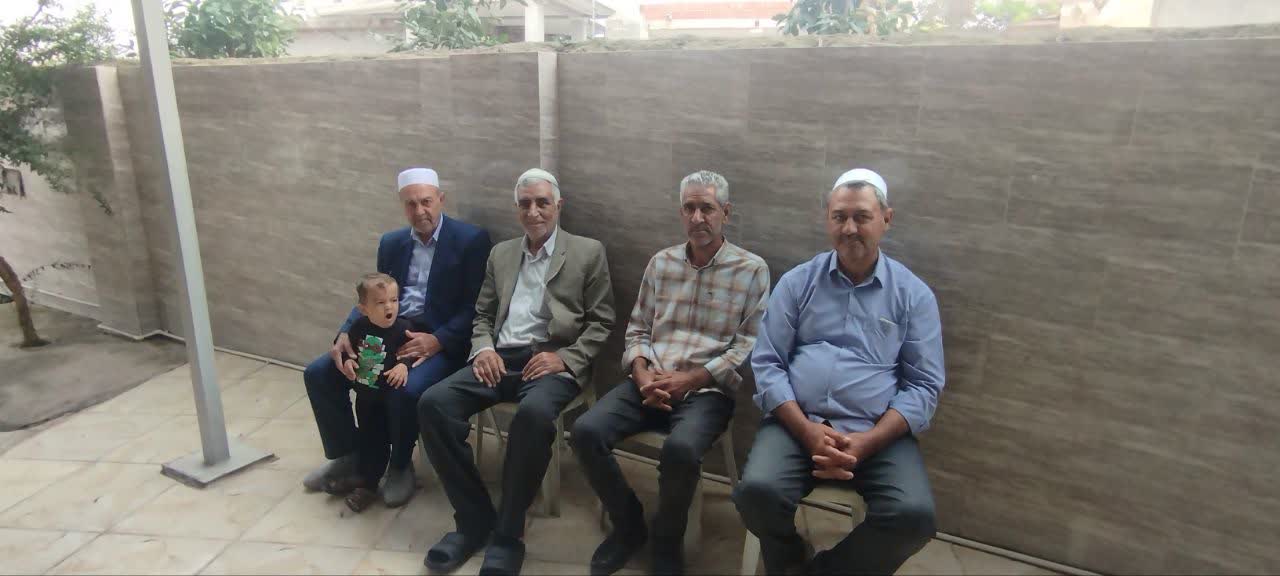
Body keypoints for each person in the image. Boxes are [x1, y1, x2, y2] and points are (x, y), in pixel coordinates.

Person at [733, 168, 946, 575]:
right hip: (797, 423)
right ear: (827, 219)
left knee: (913, 517)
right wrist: (806, 430)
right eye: (839, 217)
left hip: (878, 433)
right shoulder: (798, 282)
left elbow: (923, 385)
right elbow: (768, 362)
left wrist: (868, 441)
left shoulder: (913, 295)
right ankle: (791, 557)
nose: (850, 228)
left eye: (862, 216)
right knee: (755, 493)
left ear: (886, 219)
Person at [417, 168, 616, 576]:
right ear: (516, 209)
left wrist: (566, 358)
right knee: (433, 404)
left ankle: (509, 534)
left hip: (550, 360)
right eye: (525, 204)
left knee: (534, 415)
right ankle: (473, 520)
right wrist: (483, 349)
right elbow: (482, 315)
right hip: (499, 357)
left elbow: (602, 322)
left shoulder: (587, 252)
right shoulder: (502, 254)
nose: (533, 211)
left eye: (542, 202)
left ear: (558, 206)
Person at [570, 170, 770, 575]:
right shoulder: (661, 263)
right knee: (585, 432)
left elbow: (748, 344)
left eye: (707, 208)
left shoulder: (752, 270)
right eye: (689, 208)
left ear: (726, 212)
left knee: (680, 451)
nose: (698, 218)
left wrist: (692, 379)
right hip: (650, 381)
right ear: (681, 213)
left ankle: (666, 544)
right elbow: (638, 329)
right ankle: (629, 525)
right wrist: (641, 372)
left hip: (707, 392)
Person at [302, 167, 491, 507]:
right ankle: (349, 455)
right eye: (411, 204)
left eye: (426, 202)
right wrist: (345, 331)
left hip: (436, 343)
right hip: (385, 333)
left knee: (404, 388)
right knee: (320, 373)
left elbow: (475, 306)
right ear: (402, 205)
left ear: (441, 199)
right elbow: (374, 292)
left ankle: (401, 464)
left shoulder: (471, 240)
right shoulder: (392, 243)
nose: (420, 211)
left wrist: (438, 340)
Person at [322, 273, 414, 512]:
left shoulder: (403, 329)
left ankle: (369, 486)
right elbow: (348, 351)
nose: (389, 307)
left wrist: (404, 365)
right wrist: (348, 362)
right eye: (380, 302)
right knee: (366, 436)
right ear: (363, 309)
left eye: (394, 300)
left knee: (379, 440)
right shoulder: (359, 327)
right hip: (364, 396)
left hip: (387, 398)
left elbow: (412, 353)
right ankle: (360, 475)